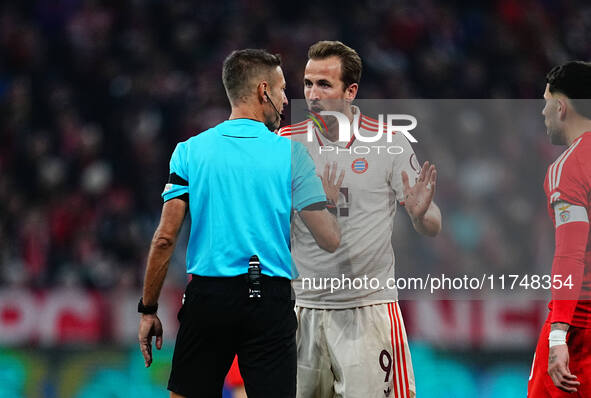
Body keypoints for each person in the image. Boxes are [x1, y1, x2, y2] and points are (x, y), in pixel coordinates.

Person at [137, 48, 341, 398]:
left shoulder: (190, 151)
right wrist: (332, 203)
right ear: (263, 91)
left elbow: (165, 239)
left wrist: (148, 309)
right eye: (280, 90)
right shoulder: (292, 154)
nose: (284, 100)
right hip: (270, 300)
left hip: (208, 297)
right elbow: (328, 238)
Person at [279, 41, 442, 398]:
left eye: (325, 84)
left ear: (351, 91)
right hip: (303, 309)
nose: (312, 94)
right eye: (308, 83)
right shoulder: (285, 143)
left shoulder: (390, 143)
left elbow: (432, 223)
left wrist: (419, 215)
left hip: (367, 309)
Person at [528, 61, 591, 397]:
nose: (542, 112)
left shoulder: (570, 167)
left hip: (581, 329)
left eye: (545, 102)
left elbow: (570, 254)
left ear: (561, 106)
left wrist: (558, 336)